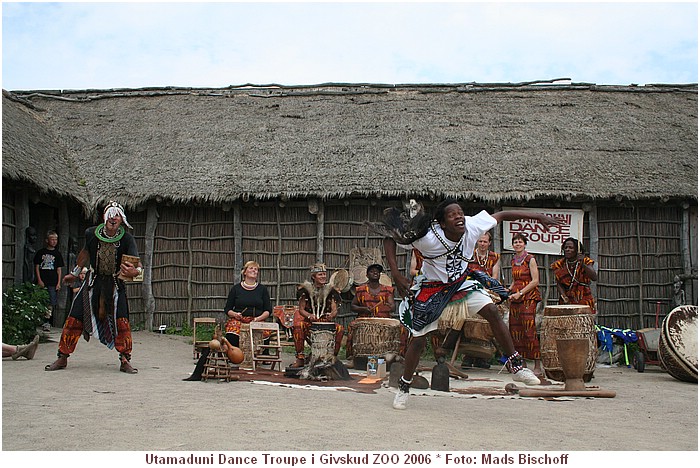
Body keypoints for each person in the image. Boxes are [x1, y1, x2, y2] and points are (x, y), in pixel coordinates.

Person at [381, 199, 563, 410]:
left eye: (460, 212)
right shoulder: (427, 238)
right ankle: (404, 386)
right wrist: (395, 273)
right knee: (419, 341)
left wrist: (537, 217)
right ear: (441, 223)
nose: (459, 217)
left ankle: (516, 365)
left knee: (492, 311)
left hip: (460, 284)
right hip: (432, 288)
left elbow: (502, 215)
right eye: (452, 215)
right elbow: (390, 238)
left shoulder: (473, 225)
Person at [44, 201, 143, 374]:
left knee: (122, 321)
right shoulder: (91, 234)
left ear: (122, 219)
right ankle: (62, 357)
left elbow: (137, 264)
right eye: (110, 214)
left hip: (114, 286)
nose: (113, 218)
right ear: (104, 217)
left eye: (117, 215)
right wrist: (74, 274)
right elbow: (84, 256)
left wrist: (135, 271)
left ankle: (125, 359)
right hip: (92, 283)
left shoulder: (127, 239)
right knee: (74, 318)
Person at [184, 260, 272, 381]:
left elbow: (268, 310)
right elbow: (227, 309)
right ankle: (234, 355)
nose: (254, 271)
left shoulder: (262, 290)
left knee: (266, 331)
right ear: (244, 272)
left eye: (256, 269)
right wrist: (235, 314)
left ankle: (261, 355)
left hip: (256, 319)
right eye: (251, 268)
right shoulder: (236, 289)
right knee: (232, 329)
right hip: (239, 319)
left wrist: (257, 319)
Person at [461, 231, 502, 369]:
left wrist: (486, 288)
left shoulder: (495, 257)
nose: (483, 244)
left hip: (487, 292)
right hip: (470, 291)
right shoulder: (469, 255)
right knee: (467, 323)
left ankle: (482, 357)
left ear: (489, 243)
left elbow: (494, 277)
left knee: (486, 322)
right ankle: (467, 356)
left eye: (485, 242)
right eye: (480, 241)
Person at [346, 264, 406, 359]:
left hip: (383, 321)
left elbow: (393, 307)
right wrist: (363, 309)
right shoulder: (361, 290)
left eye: (377, 271)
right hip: (365, 320)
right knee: (351, 326)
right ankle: (353, 355)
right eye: (372, 271)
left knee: (402, 329)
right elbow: (353, 306)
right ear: (367, 275)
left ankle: (399, 355)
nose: (375, 273)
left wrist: (383, 307)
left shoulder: (387, 290)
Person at [292, 263, 344, 368]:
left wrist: (331, 315)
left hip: (326, 322)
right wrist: (309, 315)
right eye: (320, 274)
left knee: (340, 329)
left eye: (324, 274)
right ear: (313, 277)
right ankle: (300, 358)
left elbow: (335, 310)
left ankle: (332, 358)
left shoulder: (331, 290)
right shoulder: (305, 290)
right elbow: (301, 309)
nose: (323, 277)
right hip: (310, 322)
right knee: (298, 327)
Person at [507, 232, 543, 377]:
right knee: (515, 329)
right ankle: (521, 363)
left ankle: (537, 364)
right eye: (515, 242)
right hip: (515, 297)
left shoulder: (530, 259)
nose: (517, 244)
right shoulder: (513, 260)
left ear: (525, 244)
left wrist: (520, 293)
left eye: (520, 242)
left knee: (529, 330)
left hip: (528, 297)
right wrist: (509, 289)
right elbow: (515, 280)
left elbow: (535, 281)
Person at [550, 237, 598, 313]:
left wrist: (583, 264)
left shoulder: (586, 261)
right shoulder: (559, 264)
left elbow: (594, 277)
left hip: (583, 296)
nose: (567, 249)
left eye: (571, 248)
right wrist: (564, 297)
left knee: (584, 321)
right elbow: (559, 283)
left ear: (577, 250)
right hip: (567, 299)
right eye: (565, 247)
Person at [34, 230, 64, 331]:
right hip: (42, 280)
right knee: (40, 300)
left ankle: (47, 322)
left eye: (56, 239)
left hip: (53, 281)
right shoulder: (41, 253)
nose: (54, 241)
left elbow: (59, 269)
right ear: (47, 240)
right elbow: (37, 267)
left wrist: (58, 283)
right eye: (52, 239)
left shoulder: (57, 254)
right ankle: (38, 320)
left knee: (51, 302)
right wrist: (39, 280)